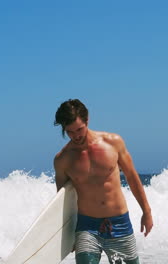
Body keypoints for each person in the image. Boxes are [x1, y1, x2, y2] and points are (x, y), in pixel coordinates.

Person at [53, 99, 153, 264]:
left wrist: (146, 212)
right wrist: (67, 236)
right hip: (86, 227)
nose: (76, 136)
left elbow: (132, 178)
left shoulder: (113, 143)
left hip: (119, 224)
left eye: (79, 129)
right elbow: (64, 202)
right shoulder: (63, 160)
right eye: (70, 132)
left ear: (87, 120)